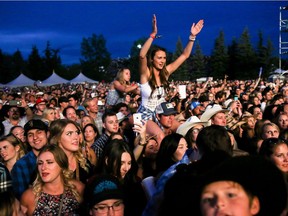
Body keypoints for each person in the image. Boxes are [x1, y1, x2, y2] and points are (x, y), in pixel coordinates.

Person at [138, 14, 204, 143]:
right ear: (152, 59)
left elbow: (184, 55)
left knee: (185, 130)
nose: (162, 61)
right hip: (147, 115)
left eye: (164, 58)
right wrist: (153, 34)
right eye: (159, 58)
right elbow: (141, 55)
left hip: (163, 113)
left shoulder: (165, 73)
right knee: (161, 137)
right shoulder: (145, 74)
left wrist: (192, 37)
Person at [20, 144, 85, 215]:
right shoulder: (29, 197)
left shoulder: (78, 189)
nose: (43, 168)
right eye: (40, 163)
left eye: (49, 162)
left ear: (61, 165)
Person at [11, 119, 49, 200]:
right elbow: (21, 198)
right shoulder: (21, 165)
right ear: (27, 139)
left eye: (39, 132)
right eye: (30, 135)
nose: (35, 137)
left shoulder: (58, 156)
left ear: (47, 134)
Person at [49, 119, 93, 183]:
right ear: (57, 138)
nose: (76, 137)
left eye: (77, 132)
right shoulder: (48, 164)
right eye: (69, 134)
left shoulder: (84, 162)